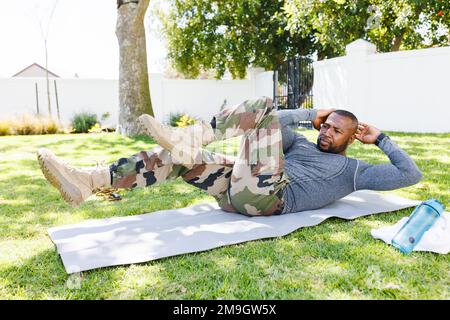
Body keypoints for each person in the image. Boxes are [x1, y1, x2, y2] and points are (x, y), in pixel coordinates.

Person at [37, 96, 422, 216]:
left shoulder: (356, 169)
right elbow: (265, 121)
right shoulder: (299, 144)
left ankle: (193, 136)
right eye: (324, 125)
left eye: (336, 130)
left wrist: (381, 138)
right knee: (175, 157)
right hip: (236, 192)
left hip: (272, 197)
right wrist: (308, 117)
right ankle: (89, 180)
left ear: (353, 137)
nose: (325, 132)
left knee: (260, 108)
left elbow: (410, 174)